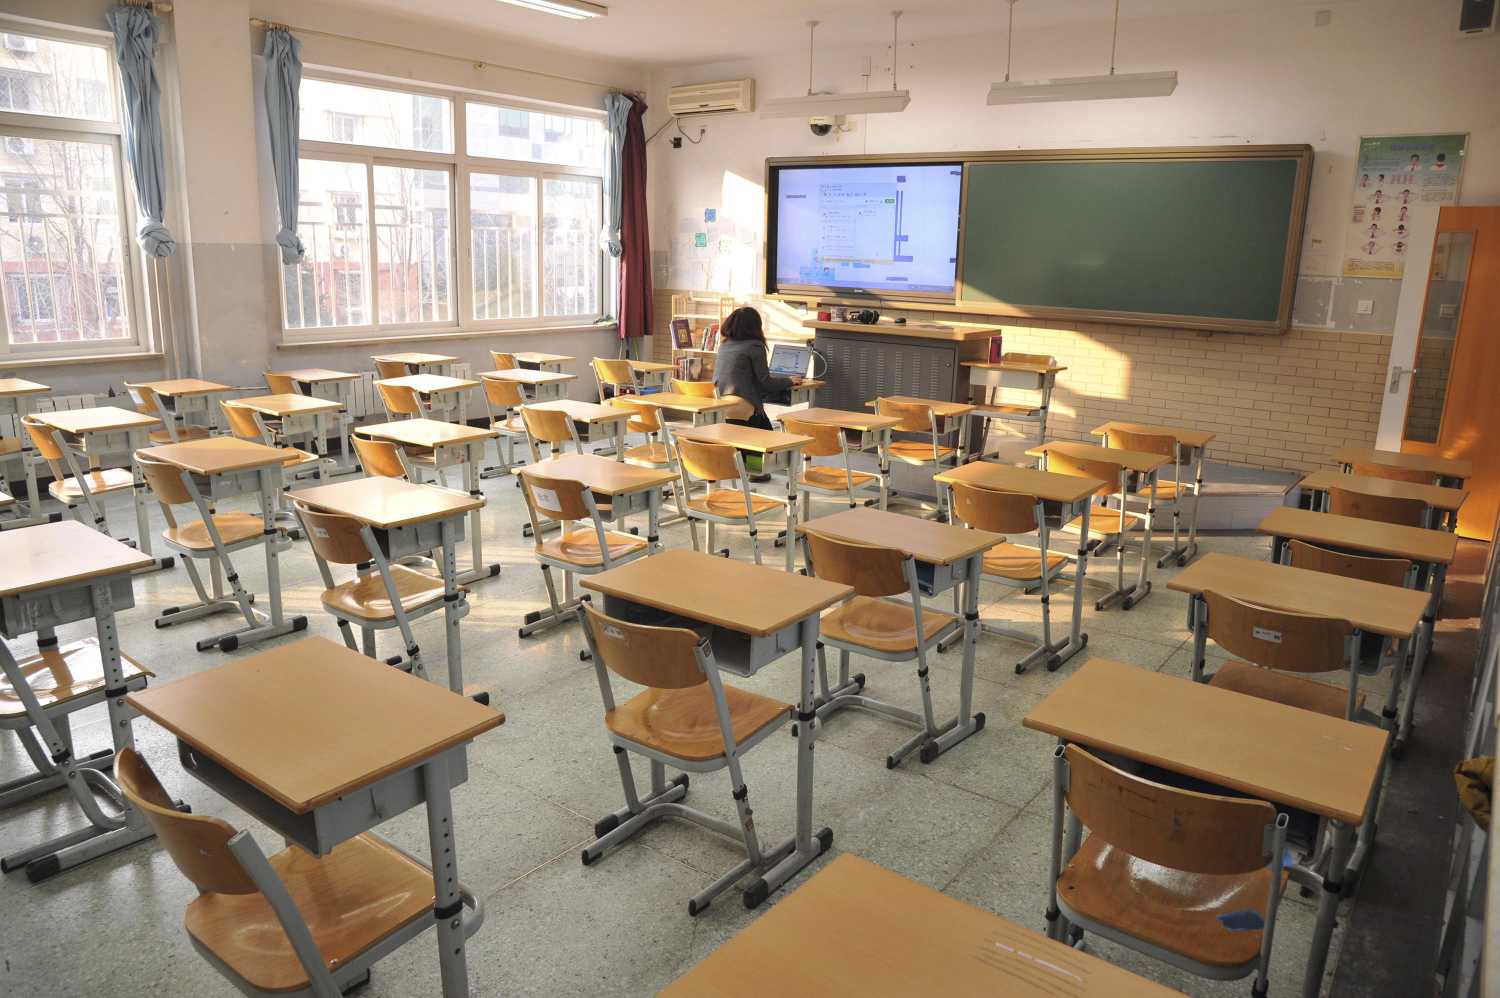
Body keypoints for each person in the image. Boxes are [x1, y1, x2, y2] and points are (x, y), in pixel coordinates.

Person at [714, 306, 795, 480]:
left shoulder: (724, 345)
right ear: (755, 326)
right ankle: (755, 471)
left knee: (760, 424)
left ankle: (748, 468)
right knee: (766, 434)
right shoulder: (755, 346)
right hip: (742, 404)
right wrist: (790, 381)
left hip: (720, 402)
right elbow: (766, 382)